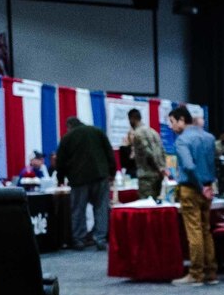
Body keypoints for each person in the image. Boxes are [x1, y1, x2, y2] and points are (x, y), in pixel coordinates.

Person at [168, 105, 219, 285]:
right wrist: (208, 186)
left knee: (194, 231)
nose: (171, 127)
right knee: (206, 230)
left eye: (173, 122)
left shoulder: (182, 141)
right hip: (207, 187)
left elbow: (189, 166)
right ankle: (210, 272)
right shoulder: (209, 137)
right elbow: (213, 163)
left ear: (182, 120)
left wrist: (198, 186)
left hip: (191, 188)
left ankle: (195, 273)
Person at [55, 114, 114, 249]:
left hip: (79, 179)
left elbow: (60, 161)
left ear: (69, 126)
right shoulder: (97, 131)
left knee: (78, 210)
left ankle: (79, 240)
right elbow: (109, 152)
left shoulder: (67, 138)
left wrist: (60, 179)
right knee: (101, 208)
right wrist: (112, 172)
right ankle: (100, 239)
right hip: (100, 176)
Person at [125, 107, 166, 200]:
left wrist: (157, 168)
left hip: (146, 176)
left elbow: (148, 153)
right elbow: (162, 150)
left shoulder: (138, 134)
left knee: (146, 205)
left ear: (132, 119)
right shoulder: (153, 131)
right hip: (158, 176)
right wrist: (162, 168)